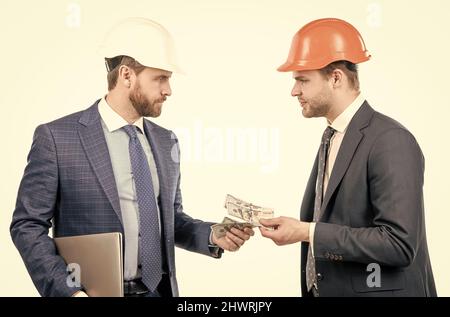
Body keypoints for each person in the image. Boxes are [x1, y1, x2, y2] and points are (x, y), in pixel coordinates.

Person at [10, 17, 254, 297]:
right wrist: (70, 293)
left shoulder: (165, 140)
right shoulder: (57, 138)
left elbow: (171, 220)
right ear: (126, 75)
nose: (168, 90)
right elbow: (27, 226)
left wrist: (213, 235)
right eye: (160, 78)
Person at [259, 18, 436, 297]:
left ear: (336, 78)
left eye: (302, 80)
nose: (294, 91)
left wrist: (308, 232)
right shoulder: (333, 136)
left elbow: (398, 244)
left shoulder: (390, 140)